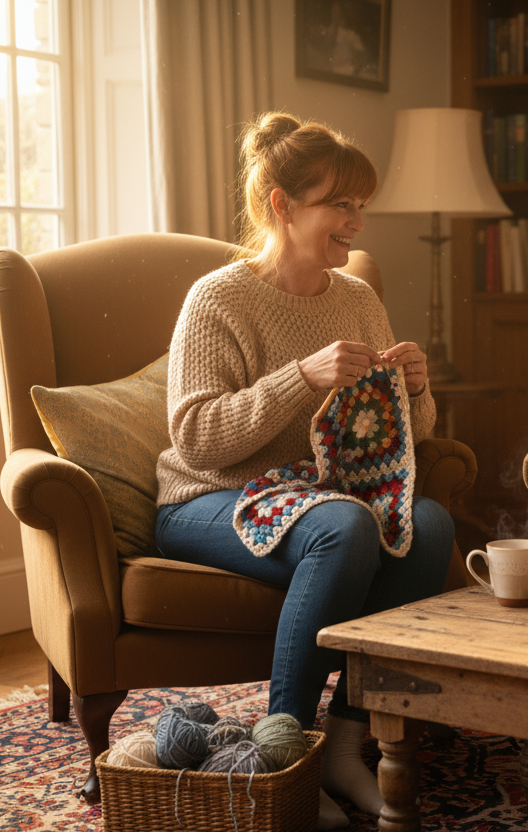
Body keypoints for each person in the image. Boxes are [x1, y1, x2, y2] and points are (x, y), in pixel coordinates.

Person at [154, 112, 453, 829]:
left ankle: (349, 742)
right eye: (339, 205)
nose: (355, 223)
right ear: (282, 207)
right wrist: (300, 377)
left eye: (360, 207)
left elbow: (406, 439)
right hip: (208, 500)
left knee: (431, 524)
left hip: (313, 500)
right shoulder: (218, 298)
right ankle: (280, 756)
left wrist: (416, 388)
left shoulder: (357, 298)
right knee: (346, 526)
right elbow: (195, 439)